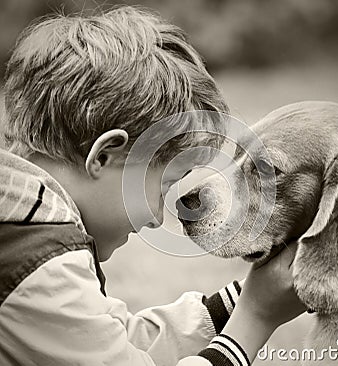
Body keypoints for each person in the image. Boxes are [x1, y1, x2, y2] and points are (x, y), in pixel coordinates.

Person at [0, 6, 305, 366]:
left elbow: (114, 342)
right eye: (165, 187)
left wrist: (242, 300)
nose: (159, 219)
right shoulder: (41, 266)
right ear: (103, 157)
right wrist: (254, 320)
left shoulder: (24, 227)